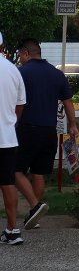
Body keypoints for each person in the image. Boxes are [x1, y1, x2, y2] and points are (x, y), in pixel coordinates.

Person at [15, 38, 79, 230]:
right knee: (39, 173)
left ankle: (35, 206)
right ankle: (34, 216)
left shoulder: (21, 73)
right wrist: (73, 125)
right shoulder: (57, 74)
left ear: (26, 53)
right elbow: (68, 102)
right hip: (49, 132)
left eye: (20, 55)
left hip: (26, 129)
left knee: (14, 170)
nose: (20, 59)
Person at [0, 32, 26, 245]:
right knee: (8, 183)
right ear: (2, 47)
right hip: (7, 138)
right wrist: (11, 122)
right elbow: (20, 104)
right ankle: (12, 229)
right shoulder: (13, 70)